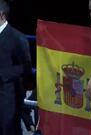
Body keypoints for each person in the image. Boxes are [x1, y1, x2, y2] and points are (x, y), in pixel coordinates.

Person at [0, 0, 32, 135]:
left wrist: (2, 74)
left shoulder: (17, 37)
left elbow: (26, 68)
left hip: (7, 99)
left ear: (2, 15)